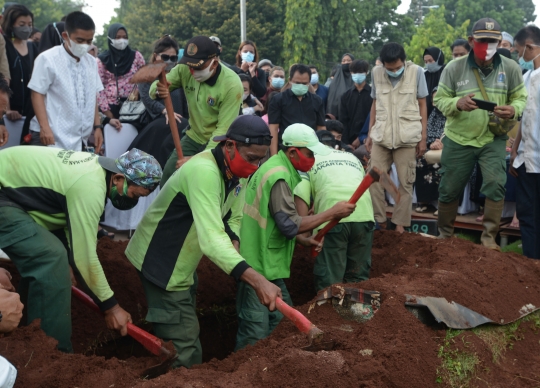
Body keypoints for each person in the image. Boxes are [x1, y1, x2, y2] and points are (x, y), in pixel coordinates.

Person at [125, 116, 282, 368]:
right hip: (161, 264)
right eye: (252, 157)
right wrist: (257, 279)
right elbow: (210, 239)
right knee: (185, 349)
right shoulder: (204, 172)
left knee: (185, 327)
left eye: (260, 159)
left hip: (182, 263)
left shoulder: (236, 172)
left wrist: (233, 238)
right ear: (229, 146)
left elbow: (234, 216)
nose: (255, 165)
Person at [0, 146, 162, 353]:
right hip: (4, 194)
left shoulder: (95, 171)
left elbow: (63, 220)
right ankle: (52, 354)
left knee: (55, 261)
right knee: (50, 259)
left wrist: (69, 261)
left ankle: (22, 332)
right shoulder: (90, 187)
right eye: (134, 194)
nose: (133, 200)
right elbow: (84, 257)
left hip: (16, 195)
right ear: (118, 178)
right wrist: (111, 307)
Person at [235, 123, 356, 350]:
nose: (312, 159)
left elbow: (275, 222)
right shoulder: (279, 176)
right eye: (309, 154)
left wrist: (301, 239)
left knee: (282, 328)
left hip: (266, 265)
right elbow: (289, 225)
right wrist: (332, 212)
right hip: (256, 267)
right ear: (292, 152)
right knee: (254, 334)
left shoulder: (278, 168)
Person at [434, 18, 527, 250]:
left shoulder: (511, 67)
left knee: (496, 184)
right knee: (449, 188)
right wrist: (458, 102)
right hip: (458, 138)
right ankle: (444, 237)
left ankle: (488, 240)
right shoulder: (454, 68)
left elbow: (521, 97)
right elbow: (439, 99)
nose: (487, 46)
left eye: (493, 41)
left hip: (493, 138)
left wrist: (514, 108)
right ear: (471, 41)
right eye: (482, 41)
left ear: (500, 42)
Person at [151, 36, 243, 186]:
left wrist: (199, 159)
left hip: (220, 143)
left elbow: (223, 130)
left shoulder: (232, 85)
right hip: (193, 136)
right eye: (189, 66)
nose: (192, 72)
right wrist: (158, 89)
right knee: (168, 177)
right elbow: (155, 88)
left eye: (198, 67)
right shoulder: (183, 69)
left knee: (206, 182)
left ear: (214, 63)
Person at [294, 131, 374, 291]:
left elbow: (301, 199)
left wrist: (304, 237)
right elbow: (346, 183)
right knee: (357, 277)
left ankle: (329, 314)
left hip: (334, 219)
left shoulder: (308, 161)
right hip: (364, 213)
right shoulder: (351, 157)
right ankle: (357, 314)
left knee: (330, 281)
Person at [366, 42, 428, 233]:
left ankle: (400, 225)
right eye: (389, 68)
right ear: (382, 64)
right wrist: (370, 133)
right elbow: (375, 104)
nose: (394, 71)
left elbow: (423, 104)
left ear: (404, 61)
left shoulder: (417, 72)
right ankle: (380, 221)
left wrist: (423, 137)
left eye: (398, 67)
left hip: (407, 137)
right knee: (373, 178)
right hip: (381, 136)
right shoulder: (376, 73)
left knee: (406, 182)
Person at [28, 11, 103, 151]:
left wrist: (97, 127)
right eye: (79, 41)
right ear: (65, 36)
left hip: (79, 138)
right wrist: (44, 127)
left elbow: (93, 96)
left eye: (89, 41)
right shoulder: (48, 59)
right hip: (51, 135)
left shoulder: (92, 62)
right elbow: (36, 93)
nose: (85, 45)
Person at [130, 35, 189, 168]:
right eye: (165, 57)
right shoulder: (147, 73)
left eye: (173, 58)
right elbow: (147, 99)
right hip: (157, 118)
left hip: (179, 120)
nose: (169, 61)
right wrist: (166, 111)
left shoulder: (178, 74)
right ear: (156, 55)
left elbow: (185, 101)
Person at [511, 26, 540, 259]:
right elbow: (525, 117)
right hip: (525, 158)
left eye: (520, 52)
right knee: (527, 214)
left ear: (530, 47)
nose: (520, 57)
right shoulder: (526, 77)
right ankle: (532, 264)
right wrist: (514, 150)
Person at [267, 64, 326, 155]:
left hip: (310, 150)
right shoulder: (278, 100)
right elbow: (273, 129)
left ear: (309, 82)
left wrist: (321, 154)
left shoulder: (317, 101)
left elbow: (321, 128)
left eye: (304, 83)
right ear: (290, 80)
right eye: (297, 83)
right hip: (286, 150)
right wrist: (274, 156)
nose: (301, 86)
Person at [97, 23, 145, 119]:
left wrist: (138, 91)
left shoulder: (136, 56)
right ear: (110, 38)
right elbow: (98, 88)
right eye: (117, 37)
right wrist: (108, 114)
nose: (121, 40)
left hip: (134, 107)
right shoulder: (102, 60)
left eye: (124, 37)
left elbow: (145, 78)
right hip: (111, 108)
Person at [2, 4, 37, 120]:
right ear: (11, 25)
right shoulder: (4, 46)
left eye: (30, 24)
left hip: (31, 112)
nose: (27, 28)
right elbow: (3, 79)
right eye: (22, 25)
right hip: (9, 113)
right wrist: (7, 109)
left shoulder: (33, 47)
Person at [414, 87, 445, 212]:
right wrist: (431, 144)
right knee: (420, 159)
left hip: (448, 148)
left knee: (439, 163)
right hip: (431, 147)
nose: (436, 102)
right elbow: (426, 133)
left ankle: (440, 203)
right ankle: (425, 200)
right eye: (434, 99)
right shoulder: (433, 114)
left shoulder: (454, 114)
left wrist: (442, 144)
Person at [338, 59, 372, 150]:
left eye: (360, 72)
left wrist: (361, 138)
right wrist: (346, 143)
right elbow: (343, 120)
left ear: (366, 72)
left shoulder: (373, 95)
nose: (357, 75)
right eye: (355, 72)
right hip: (348, 141)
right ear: (351, 73)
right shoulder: (346, 95)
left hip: (368, 140)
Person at [423, 47, 445, 116]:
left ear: (439, 59)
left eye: (430, 61)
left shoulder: (446, 71)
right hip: (427, 113)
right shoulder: (425, 75)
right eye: (426, 62)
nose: (428, 64)